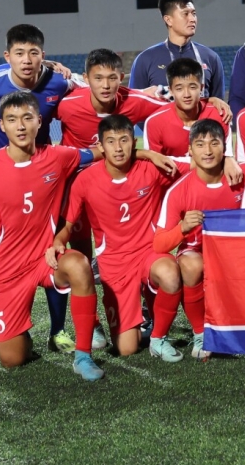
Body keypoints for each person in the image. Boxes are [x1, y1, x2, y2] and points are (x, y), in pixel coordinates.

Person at [0, 92, 105, 379]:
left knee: (80, 265)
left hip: (47, 259)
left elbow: (103, 151)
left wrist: (148, 154)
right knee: (12, 359)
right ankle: (15, 339)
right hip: (8, 269)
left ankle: (83, 356)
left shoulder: (59, 156)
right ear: (2, 125)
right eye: (12, 120)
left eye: (27, 118)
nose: (20, 126)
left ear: (39, 122)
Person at [0, 23, 82, 353]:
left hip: (46, 176)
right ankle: (14, 325)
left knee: (51, 250)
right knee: (9, 250)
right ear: (8, 56)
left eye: (34, 53)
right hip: (2, 181)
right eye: (19, 53)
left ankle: (58, 331)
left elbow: (92, 93)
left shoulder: (59, 82)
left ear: (43, 55)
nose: (27, 60)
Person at [52, 115, 186, 361]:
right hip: (114, 263)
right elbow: (68, 225)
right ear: (101, 146)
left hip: (149, 252)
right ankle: (140, 321)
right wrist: (59, 241)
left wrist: (229, 162)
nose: (118, 147)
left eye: (124, 140)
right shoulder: (85, 180)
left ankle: (158, 336)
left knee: (170, 274)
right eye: (111, 141)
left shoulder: (152, 169)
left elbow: (197, 168)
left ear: (133, 143)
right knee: (126, 348)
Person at [154, 120, 245, 360]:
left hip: (238, 251)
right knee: (192, 265)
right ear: (190, 150)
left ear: (225, 147)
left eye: (214, 143)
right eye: (200, 144)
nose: (208, 151)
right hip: (198, 253)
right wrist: (182, 227)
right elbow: (159, 244)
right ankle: (201, 333)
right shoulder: (179, 191)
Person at [59, 49, 169, 151]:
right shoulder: (66, 104)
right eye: (98, 78)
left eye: (112, 78)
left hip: (115, 164)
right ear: (86, 79)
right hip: (75, 164)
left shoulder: (134, 102)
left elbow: (174, 107)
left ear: (121, 78)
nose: (105, 85)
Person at [128, 0, 224, 99]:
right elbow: (134, 102)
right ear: (168, 20)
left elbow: (218, 104)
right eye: (185, 14)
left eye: (194, 14)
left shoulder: (211, 57)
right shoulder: (145, 60)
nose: (192, 19)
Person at [143, 58, 231, 157]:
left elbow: (227, 159)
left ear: (201, 88)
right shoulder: (155, 122)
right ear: (170, 90)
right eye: (179, 89)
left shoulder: (220, 115)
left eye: (192, 87)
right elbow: (154, 163)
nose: (187, 94)